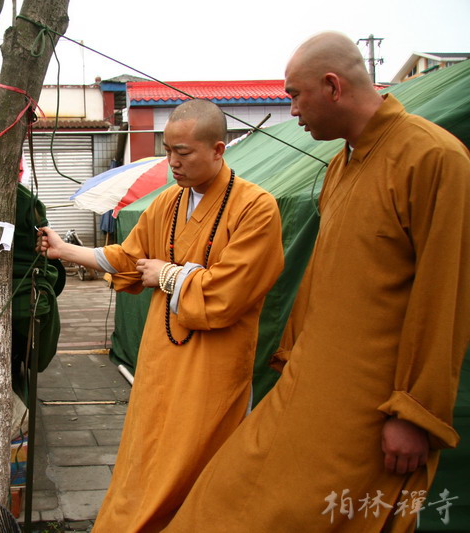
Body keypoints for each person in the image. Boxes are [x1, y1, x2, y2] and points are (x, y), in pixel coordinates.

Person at [165, 31, 470, 533]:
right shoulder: (339, 166)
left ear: (332, 86)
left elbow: (446, 297)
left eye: (294, 95)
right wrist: (290, 356)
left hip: (375, 407)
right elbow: (323, 275)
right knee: (222, 499)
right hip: (307, 384)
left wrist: (415, 414)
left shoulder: (433, 157)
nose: (292, 110)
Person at [38, 99, 284, 532]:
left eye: (183, 152)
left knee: (202, 466)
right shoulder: (168, 202)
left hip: (214, 367)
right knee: (146, 456)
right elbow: (127, 258)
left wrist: (169, 275)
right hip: (160, 356)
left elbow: (231, 292)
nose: (172, 162)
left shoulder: (255, 207)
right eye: (167, 150)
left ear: (218, 150)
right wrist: (65, 250)